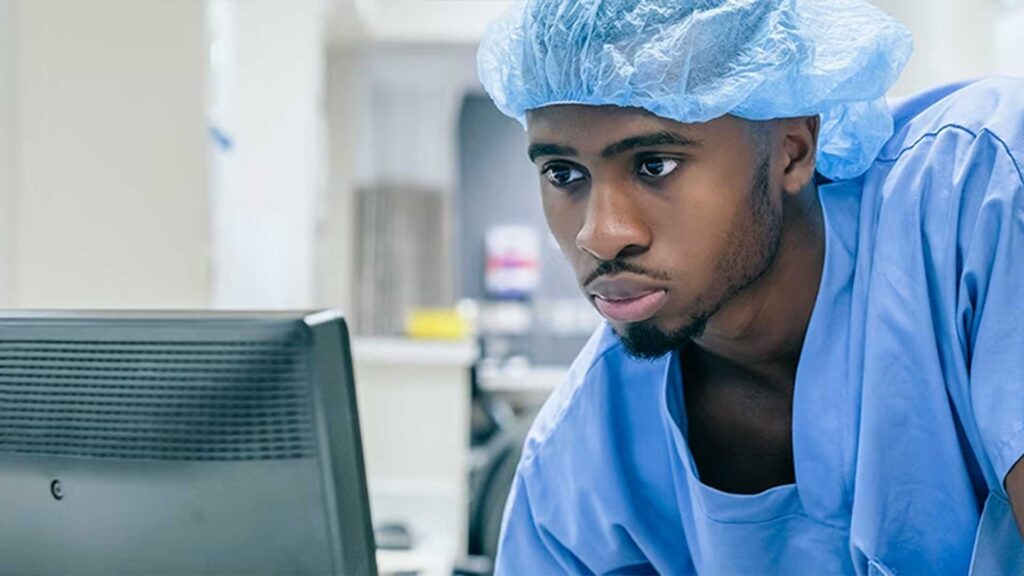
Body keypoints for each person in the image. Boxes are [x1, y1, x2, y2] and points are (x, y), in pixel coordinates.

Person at [475, 0, 1024, 573]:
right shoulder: (576, 468)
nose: (600, 235)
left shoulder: (981, 193)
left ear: (793, 149)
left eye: (655, 164)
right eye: (564, 174)